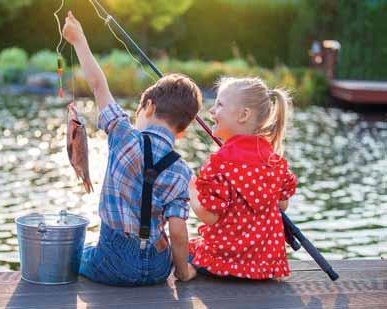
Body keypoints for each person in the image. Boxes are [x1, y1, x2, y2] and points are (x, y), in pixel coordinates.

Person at [63, 11, 202, 285]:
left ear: (148, 107)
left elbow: (97, 85)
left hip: (113, 262)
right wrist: (183, 272)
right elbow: (177, 228)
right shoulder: (182, 170)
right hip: (159, 267)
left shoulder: (124, 135)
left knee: (76, 257)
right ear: (183, 132)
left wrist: (79, 41)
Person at [188, 77, 297, 279]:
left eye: (219, 104)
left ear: (244, 114)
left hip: (222, 263)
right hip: (265, 267)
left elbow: (209, 216)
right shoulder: (274, 160)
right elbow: (282, 205)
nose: (212, 111)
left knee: (179, 250)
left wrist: (191, 189)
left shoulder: (219, 164)